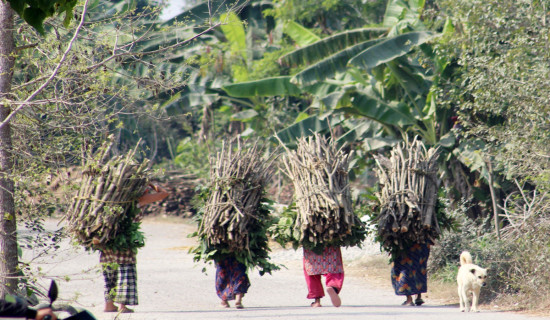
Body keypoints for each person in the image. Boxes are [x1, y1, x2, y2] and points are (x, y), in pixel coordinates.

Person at [97, 183, 169, 313]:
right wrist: (152, 184)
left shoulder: (108, 198)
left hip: (106, 239)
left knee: (109, 271)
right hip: (124, 239)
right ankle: (122, 306)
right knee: (126, 270)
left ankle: (109, 304)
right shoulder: (138, 199)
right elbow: (164, 194)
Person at [391, 241, 431, 306]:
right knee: (418, 267)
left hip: (406, 242)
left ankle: (409, 299)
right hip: (421, 242)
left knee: (405, 268)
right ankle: (418, 296)